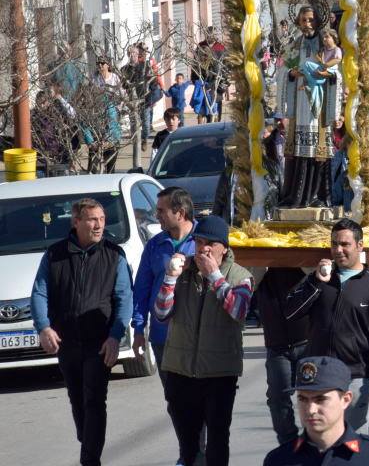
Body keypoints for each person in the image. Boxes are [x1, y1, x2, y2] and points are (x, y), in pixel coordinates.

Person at [30, 198, 133, 466]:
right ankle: (88, 443)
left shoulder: (114, 255)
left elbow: (124, 298)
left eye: (102, 219)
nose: (99, 225)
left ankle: (90, 460)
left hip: (100, 342)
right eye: (92, 219)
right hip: (67, 342)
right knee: (77, 400)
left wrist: (116, 336)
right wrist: (43, 327)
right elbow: (39, 292)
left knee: (94, 399)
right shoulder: (54, 255)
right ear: (76, 222)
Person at [283, 219, 369, 434]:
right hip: (318, 374)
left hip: (355, 376)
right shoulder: (318, 279)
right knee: (318, 440)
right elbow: (290, 312)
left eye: (345, 244)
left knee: (352, 442)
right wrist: (316, 282)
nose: (338, 250)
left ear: (360, 246)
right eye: (334, 244)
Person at [154, 215, 253, 466]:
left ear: (224, 249)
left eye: (211, 244)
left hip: (219, 373)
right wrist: (170, 278)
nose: (204, 249)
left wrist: (215, 277)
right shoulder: (183, 271)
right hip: (180, 370)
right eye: (199, 242)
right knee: (188, 445)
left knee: (218, 441)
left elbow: (238, 311)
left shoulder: (240, 276)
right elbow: (162, 313)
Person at [130, 187, 197, 463]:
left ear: (179, 213)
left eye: (161, 211)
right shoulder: (155, 246)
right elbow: (141, 289)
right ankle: (188, 453)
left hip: (196, 336)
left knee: (199, 399)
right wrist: (138, 328)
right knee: (175, 400)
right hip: (162, 337)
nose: (155, 215)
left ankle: (198, 451)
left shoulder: (204, 241)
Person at [262, 356, 369, 466]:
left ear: (345, 400)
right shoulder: (278, 460)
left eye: (320, 399)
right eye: (303, 399)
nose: (311, 409)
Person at [278, 8, 343, 208]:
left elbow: (337, 71)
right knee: (299, 150)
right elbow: (282, 72)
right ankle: (296, 196)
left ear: (317, 22)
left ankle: (317, 195)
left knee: (318, 150)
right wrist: (291, 74)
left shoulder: (326, 44)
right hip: (299, 104)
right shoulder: (294, 46)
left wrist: (329, 75)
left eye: (311, 20)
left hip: (319, 106)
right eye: (304, 20)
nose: (307, 24)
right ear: (298, 23)